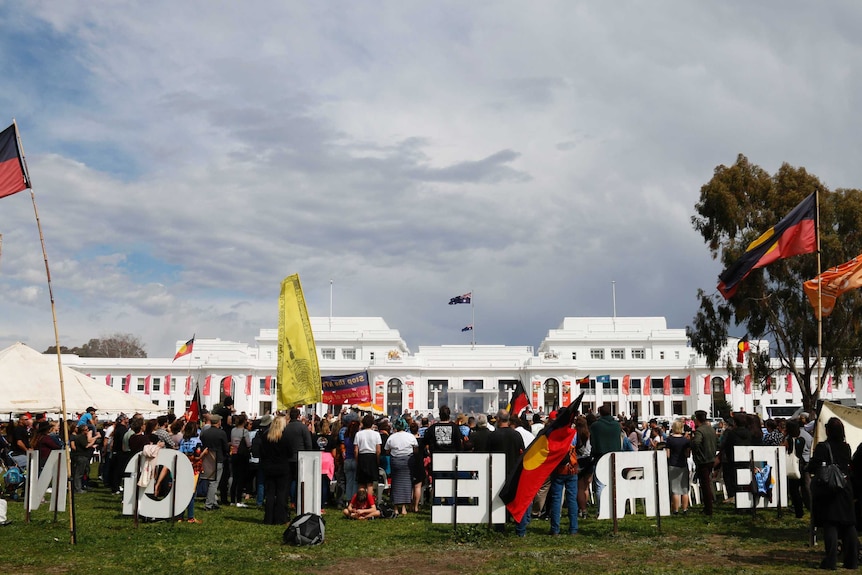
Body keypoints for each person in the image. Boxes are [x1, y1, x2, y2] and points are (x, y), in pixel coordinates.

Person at [810, 417, 857, 570]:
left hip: (829, 489)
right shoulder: (846, 447)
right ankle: (851, 561)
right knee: (848, 524)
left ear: (828, 430)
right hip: (845, 487)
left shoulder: (823, 447)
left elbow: (814, 466)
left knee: (830, 524)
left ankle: (830, 561)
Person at [487, 410, 526, 535]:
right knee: (516, 499)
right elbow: (522, 452)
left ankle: (500, 525)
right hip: (513, 470)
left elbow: (488, 454)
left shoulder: (493, 435)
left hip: (498, 470)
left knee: (499, 499)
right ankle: (519, 527)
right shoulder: (516, 435)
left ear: (498, 419)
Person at [590, 404, 622, 516]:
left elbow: (592, 442)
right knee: (614, 483)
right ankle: (616, 508)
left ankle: (601, 510)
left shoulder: (595, 426)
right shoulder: (617, 425)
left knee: (600, 485)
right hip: (615, 457)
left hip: (600, 456)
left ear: (600, 413)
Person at [259, 415, 292, 525]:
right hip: (282, 467)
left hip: (268, 467)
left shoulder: (265, 437)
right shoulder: (285, 437)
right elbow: (290, 452)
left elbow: (262, 452)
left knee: (270, 494)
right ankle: (280, 518)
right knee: (281, 494)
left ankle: (268, 518)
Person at [547, 433, 579, 536]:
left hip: (558, 470)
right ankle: (573, 528)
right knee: (572, 500)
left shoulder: (554, 435)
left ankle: (555, 529)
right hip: (571, 469)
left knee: (556, 499)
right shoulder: (573, 434)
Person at [385, 418, 418, 516]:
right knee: (407, 483)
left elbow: (387, 450)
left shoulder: (391, 437)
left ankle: (395, 508)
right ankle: (404, 508)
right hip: (408, 461)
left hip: (395, 460)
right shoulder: (410, 436)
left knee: (395, 482)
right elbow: (415, 449)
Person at [199, 413, 229, 511]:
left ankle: (214, 501)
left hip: (208, 458)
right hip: (218, 458)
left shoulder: (205, 432)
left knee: (210, 481)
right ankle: (209, 504)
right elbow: (225, 447)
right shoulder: (221, 433)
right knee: (214, 482)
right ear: (218, 422)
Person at [177, 421, 205, 524]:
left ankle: (179, 516)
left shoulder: (182, 440)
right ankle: (190, 517)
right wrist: (204, 453)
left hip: (183, 467)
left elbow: (179, 453)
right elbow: (197, 456)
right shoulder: (197, 441)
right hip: (194, 469)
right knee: (191, 494)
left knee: (182, 492)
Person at [691, 410, 718, 516]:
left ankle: (708, 508)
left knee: (705, 484)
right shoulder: (711, 429)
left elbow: (696, 443)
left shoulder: (699, 431)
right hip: (711, 458)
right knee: (707, 482)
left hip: (703, 460)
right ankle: (709, 505)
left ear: (697, 419)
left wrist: (692, 444)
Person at [666, 419, 691, 515]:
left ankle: (675, 510)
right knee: (684, 489)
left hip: (673, 464)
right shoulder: (685, 441)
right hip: (683, 464)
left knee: (675, 490)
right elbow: (688, 454)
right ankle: (685, 509)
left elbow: (667, 454)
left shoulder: (670, 440)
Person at [354, 414, 382, 494]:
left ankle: (361, 501)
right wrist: (377, 460)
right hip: (372, 457)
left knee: (361, 483)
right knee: (370, 483)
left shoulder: (358, 434)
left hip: (362, 456)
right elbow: (378, 450)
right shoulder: (376, 434)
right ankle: (370, 502)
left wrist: (357, 460)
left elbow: (356, 450)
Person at [784, 419, 805, 519]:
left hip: (792, 466)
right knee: (800, 490)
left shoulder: (788, 440)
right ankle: (802, 509)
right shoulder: (801, 440)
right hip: (800, 464)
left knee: (793, 490)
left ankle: (797, 511)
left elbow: (783, 449)